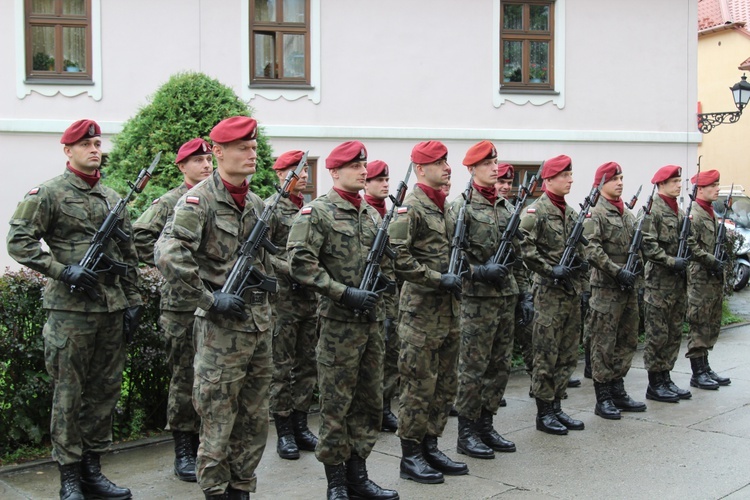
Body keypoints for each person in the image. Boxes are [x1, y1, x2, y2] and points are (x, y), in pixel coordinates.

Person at [7, 119, 142, 500]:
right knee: (69, 394)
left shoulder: (114, 197)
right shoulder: (47, 193)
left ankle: (92, 472)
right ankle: (68, 477)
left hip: (111, 311)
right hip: (70, 313)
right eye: (86, 144)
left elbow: (127, 256)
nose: (94, 149)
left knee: (104, 394)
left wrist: (133, 302)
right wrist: (62, 269)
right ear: (68, 150)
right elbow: (19, 241)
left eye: (98, 143)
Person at [154, 116, 274, 499]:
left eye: (254, 148)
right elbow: (168, 253)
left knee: (254, 421)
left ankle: (242, 488)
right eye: (243, 148)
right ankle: (216, 492)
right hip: (221, 331)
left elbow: (266, 265)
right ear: (218, 152)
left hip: (257, 327)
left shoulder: (256, 203)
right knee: (218, 422)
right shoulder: (199, 200)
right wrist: (208, 297)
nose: (251, 154)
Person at [287, 141, 398, 500]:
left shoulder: (372, 214)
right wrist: (342, 292)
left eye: (363, 165)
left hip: (371, 324)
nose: (363, 171)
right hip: (338, 325)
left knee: (368, 403)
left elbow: (387, 263)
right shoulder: (316, 213)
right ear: (334, 172)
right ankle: (336, 483)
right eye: (354, 165)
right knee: (336, 406)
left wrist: (385, 279)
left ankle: (358, 476)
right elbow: (300, 263)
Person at [132, 137, 213, 481]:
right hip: (181, 305)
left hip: (215, 304)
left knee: (212, 378)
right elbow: (138, 238)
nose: (206, 165)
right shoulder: (169, 201)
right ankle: (183, 448)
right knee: (184, 377)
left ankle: (208, 445)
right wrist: (172, 264)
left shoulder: (219, 200)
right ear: (182, 167)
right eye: (197, 161)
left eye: (209, 159)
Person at [388, 141, 465, 484]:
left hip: (449, 312)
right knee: (418, 386)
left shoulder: (445, 207)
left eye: (447, 161)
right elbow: (398, 258)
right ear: (421, 169)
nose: (447, 167)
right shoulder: (411, 208)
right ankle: (411, 454)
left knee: (446, 385)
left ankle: (431, 445)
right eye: (439, 162)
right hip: (420, 313)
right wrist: (437, 279)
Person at [452, 143, 530, 459]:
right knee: (473, 368)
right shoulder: (460, 207)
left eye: (495, 162)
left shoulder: (507, 208)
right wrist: (480, 271)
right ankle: (467, 432)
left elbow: (520, 258)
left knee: (499, 367)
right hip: (476, 300)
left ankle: (486, 424)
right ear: (472, 169)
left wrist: (524, 295)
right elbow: (451, 259)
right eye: (487, 163)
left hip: (506, 298)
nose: (494, 167)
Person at [518, 154, 587, 436]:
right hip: (548, 293)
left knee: (567, 353)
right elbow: (525, 249)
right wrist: (550, 270)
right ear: (548, 180)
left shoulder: (570, 213)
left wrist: (580, 271)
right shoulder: (535, 212)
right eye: (564, 175)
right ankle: (544, 412)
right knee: (546, 354)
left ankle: (557, 405)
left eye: (570, 175)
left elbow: (582, 250)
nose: (570, 179)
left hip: (570, 292)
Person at [265, 150, 319, 460]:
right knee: (281, 367)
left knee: (307, 364)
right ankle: (284, 430)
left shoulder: (309, 210)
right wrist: (291, 270)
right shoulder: (271, 208)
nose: (304, 178)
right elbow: (264, 252)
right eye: (298, 172)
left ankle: (301, 425)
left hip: (308, 298)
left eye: (306, 172)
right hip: (283, 300)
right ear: (282, 173)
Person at [582, 162, 647, 420]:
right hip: (606, 289)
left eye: (621, 178)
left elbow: (637, 245)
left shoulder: (627, 214)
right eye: (614, 179)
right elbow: (592, 249)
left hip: (628, 289)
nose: (620, 182)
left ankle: (618, 388)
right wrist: (617, 270)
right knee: (603, 343)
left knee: (627, 339)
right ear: (601, 184)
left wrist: (637, 267)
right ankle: (604, 396)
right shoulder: (596, 214)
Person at [640, 165, 692, 403]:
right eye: (674, 182)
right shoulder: (654, 210)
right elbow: (648, 244)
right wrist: (671, 261)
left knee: (673, 333)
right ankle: (655, 383)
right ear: (661, 184)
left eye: (679, 181)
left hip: (677, 284)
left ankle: (666, 377)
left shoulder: (679, 211)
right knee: (657, 334)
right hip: (659, 283)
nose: (679, 185)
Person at [684, 169, 731, 389]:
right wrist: (710, 259)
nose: (717, 189)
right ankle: (697, 372)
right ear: (700, 189)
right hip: (700, 277)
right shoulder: (694, 214)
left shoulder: (710, 211)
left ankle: (705, 366)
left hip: (713, 277)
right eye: (712, 185)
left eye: (717, 185)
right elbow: (690, 244)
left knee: (711, 322)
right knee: (699, 322)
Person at [363, 160, 400, 433]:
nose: (385, 184)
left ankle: (385, 407)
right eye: (379, 179)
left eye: (387, 179)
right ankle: (371, 410)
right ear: (366, 183)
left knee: (391, 356)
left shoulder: (391, 213)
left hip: (392, 295)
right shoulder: (366, 214)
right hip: (367, 295)